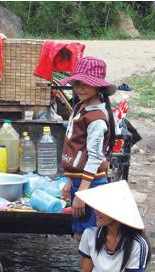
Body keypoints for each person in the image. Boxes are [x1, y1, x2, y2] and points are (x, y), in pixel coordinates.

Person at [59, 56, 117, 237]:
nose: (80, 88)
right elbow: (75, 147)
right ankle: (86, 266)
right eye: (77, 83)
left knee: (90, 234)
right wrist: (69, 180)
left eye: (86, 84)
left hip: (91, 185)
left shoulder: (97, 119)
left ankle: (90, 266)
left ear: (98, 87)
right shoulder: (80, 107)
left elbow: (94, 157)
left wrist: (82, 194)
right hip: (80, 182)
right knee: (79, 233)